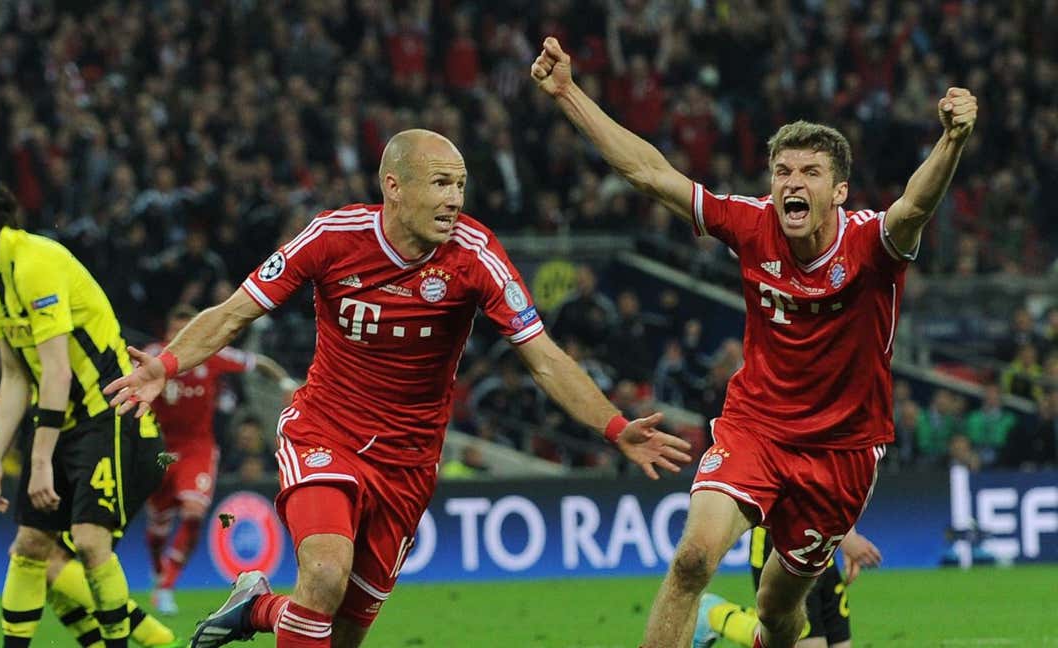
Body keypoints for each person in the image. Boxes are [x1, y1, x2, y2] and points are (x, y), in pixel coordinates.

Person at [105, 128, 694, 648]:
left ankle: (256, 606)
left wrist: (615, 427)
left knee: (339, 633)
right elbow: (235, 312)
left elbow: (542, 357)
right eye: (441, 184)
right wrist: (168, 363)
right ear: (395, 185)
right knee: (326, 574)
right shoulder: (332, 237)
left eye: (461, 186)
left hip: (408, 465)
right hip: (324, 435)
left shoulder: (476, 255)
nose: (455, 200)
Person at [531, 36, 977, 648]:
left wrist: (952, 141)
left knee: (778, 609)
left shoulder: (873, 244)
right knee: (692, 559)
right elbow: (649, 173)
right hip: (756, 427)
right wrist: (569, 94)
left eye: (810, 173)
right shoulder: (751, 222)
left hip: (842, 453)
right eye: (782, 171)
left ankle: (752, 634)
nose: (792, 183)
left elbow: (916, 206)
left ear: (838, 191)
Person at [0, 168, 171, 648]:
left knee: (87, 540)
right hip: (63, 420)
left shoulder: (36, 260)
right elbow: (17, 374)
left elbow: (57, 371)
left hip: (108, 415)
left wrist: (39, 461)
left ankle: (142, 639)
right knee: (31, 547)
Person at [144, 303, 297, 615]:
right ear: (167, 333)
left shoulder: (211, 355)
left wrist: (284, 383)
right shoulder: (153, 355)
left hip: (197, 449)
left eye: (185, 332)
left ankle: (166, 586)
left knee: (193, 512)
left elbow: (259, 363)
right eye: (174, 331)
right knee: (158, 527)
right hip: (159, 451)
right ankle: (159, 570)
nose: (179, 338)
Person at [701, 529, 883, 648]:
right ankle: (719, 616)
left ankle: (720, 614)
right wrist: (847, 539)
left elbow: (835, 480)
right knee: (790, 639)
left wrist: (846, 532)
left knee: (841, 644)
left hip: (823, 542)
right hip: (780, 541)